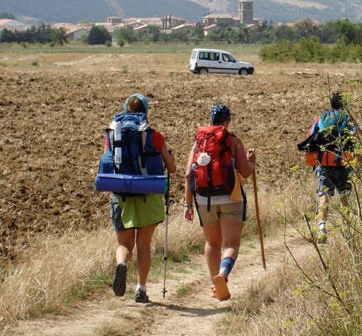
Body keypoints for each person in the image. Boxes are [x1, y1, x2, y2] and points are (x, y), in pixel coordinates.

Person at [183, 104, 256, 301]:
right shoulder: (232, 140)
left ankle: (214, 285)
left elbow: (189, 174)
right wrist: (252, 162)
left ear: (210, 121)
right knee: (230, 244)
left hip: (203, 199)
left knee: (212, 242)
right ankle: (222, 275)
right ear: (227, 122)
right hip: (231, 198)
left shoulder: (198, 144)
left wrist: (188, 205)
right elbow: (246, 172)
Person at [109, 93, 176, 303]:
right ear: (146, 111)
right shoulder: (154, 136)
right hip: (148, 194)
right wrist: (169, 159)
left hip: (121, 195)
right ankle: (141, 289)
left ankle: (121, 263)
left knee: (125, 245)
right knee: (144, 244)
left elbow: (110, 162)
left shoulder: (114, 134)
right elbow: (172, 168)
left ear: (125, 109)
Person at [309, 91, 355, 242]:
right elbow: (353, 137)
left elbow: (311, 136)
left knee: (324, 196)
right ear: (344, 104)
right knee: (344, 196)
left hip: (323, 161)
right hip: (341, 161)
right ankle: (348, 232)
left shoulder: (321, 118)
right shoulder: (346, 118)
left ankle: (321, 229)